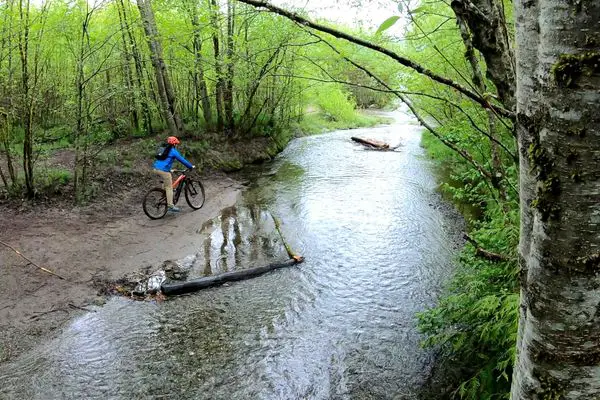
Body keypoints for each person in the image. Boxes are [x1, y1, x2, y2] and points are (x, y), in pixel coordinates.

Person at [153, 136, 194, 212]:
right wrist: (190, 166)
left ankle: (164, 195)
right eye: (176, 144)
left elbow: (163, 161)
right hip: (163, 170)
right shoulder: (173, 151)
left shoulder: (165, 149)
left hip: (156, 168)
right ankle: (170, 206)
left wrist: (169, 169)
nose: (176, 145)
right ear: (174, 144)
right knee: (169, 187)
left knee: (167, 181)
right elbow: (182, 160)